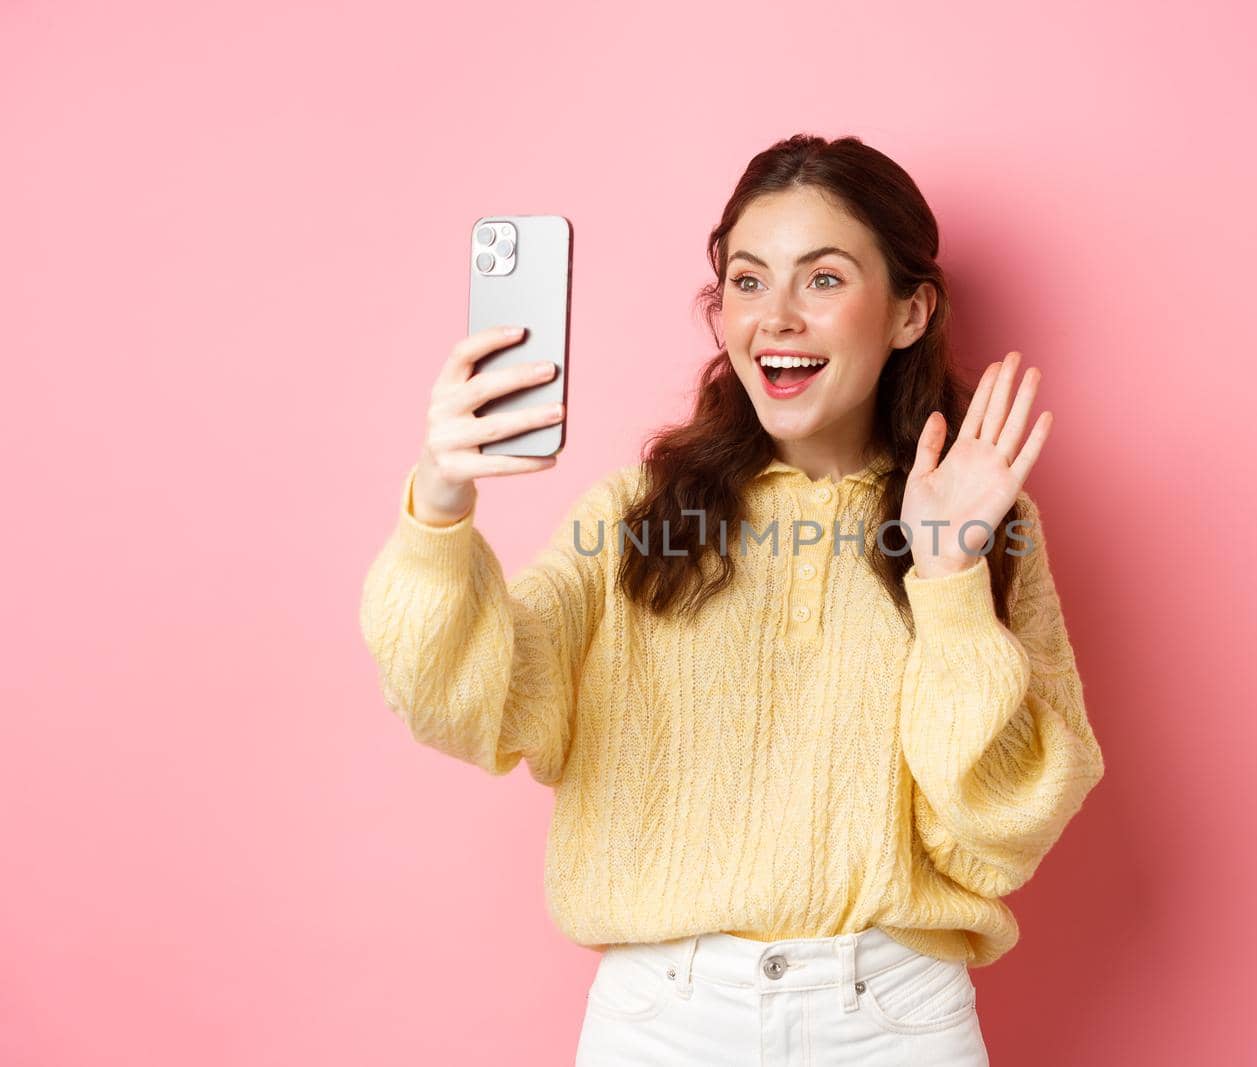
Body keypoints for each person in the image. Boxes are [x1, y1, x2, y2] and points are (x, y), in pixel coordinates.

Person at [358, 133, 1106, 1066]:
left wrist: (949, 575)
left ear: (912, 311)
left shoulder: (988, 517)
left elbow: (1007, 820)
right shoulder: (636, 515)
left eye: (823, 279)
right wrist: (440, 502)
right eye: (747, 282)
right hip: (662, 1024)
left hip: (893, 1020)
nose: (776, 317)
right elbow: (470, 701)